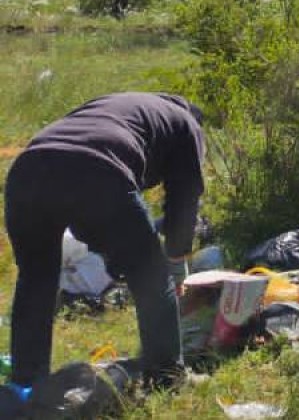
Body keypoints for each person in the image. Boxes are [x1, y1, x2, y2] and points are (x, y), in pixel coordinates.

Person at [4, 93, 205, 403]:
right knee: (153, 276)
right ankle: (167, 376)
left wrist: (115, 252)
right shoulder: (187, 125)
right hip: (97, 169)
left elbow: (83, 209)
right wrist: (177, 263)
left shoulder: (120, 105)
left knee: (35, 280)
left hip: (28, 170)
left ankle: (26, 384)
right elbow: (185, 197)